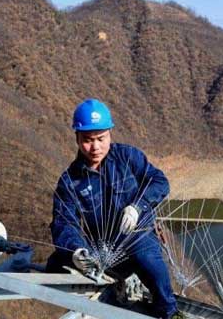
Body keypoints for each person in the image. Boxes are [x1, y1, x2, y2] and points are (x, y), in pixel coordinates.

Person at [46, 98, 183, 319]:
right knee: (54, 265)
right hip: (102, 248)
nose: (95, 147)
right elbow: (63, 223)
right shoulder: (70, 181)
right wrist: (76, 252)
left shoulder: (128, 158)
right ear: (77, 138)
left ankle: (168, 312)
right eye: (88, 140)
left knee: (155, 272)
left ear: (110, 133)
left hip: (137, 238)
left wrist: (137, 207)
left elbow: (159, 182)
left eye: (101, 139)